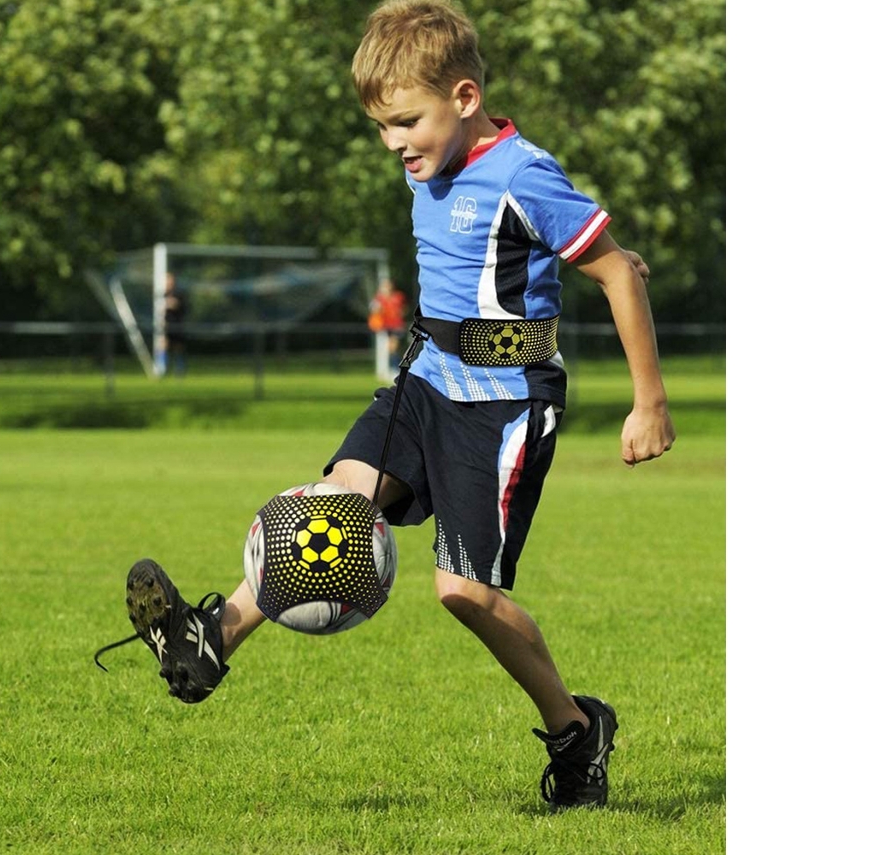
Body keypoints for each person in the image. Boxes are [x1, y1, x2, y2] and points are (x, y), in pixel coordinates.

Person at [118, 0, 674, 813]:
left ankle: (575, 729)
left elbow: (616, 272)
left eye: (406, 121)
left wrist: (648, 401)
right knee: (332, 505)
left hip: (504, 404)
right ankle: (208, 642)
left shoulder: (523, 173)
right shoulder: (429, 160)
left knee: (463, 593)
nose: (394, 143)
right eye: (382, 127)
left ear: (465, 97)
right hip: (423, 381)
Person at [368, 277, 408, 378]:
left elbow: (404, 309)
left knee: (393, 347)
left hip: (396, 325)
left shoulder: (398, 296)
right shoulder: (379, 298)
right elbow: (374, 310)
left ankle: (396, 369)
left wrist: (401, 312)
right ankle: (391, 369)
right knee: (388, 349)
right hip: (384, 326)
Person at [162, 272, 188, 377]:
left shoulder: (178, 293)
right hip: (167, 325)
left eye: (170, 280)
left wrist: (171, 303)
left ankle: (180, 371)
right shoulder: (164, 294)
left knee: (178, 347)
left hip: (177, 325)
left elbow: (178, 305)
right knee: (164, 345)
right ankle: (163, 369)